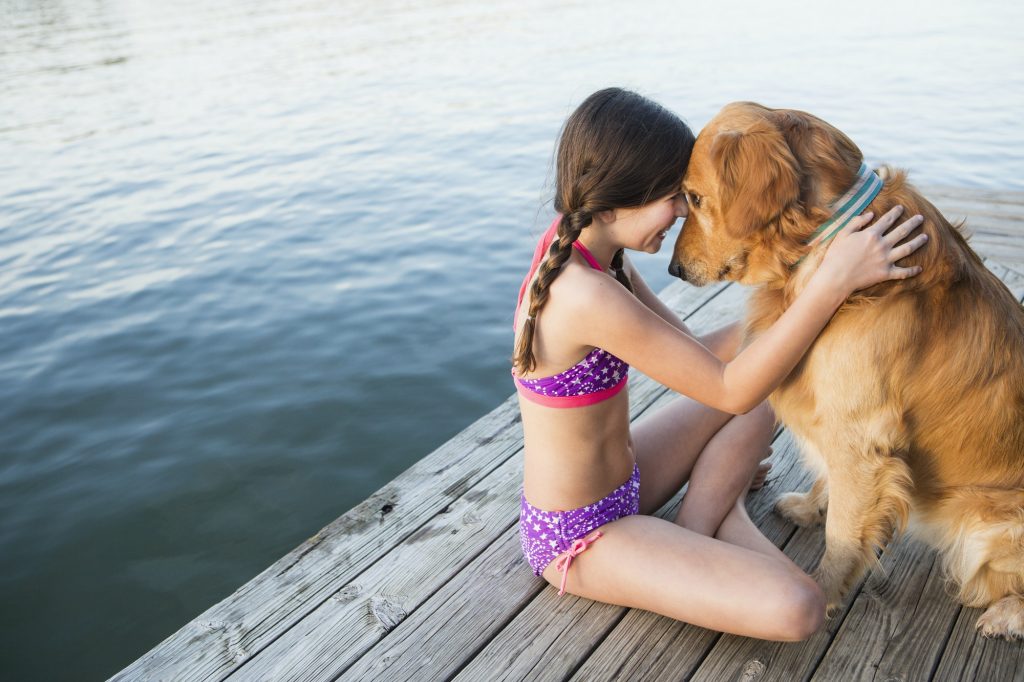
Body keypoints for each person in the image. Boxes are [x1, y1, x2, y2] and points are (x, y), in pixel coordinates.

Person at [512, 87, 928, 641]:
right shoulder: (584, 295)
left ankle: (701, 520)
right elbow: (729, 390)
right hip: (582, 533)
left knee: (770, 401)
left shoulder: (597, 256)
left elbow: (703, 356)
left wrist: (814, 262)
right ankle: (718, 514)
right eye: (674, 196)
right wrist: (830, 286)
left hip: (630, 477)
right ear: (619, 197)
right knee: (799, 607)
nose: (684, 211)